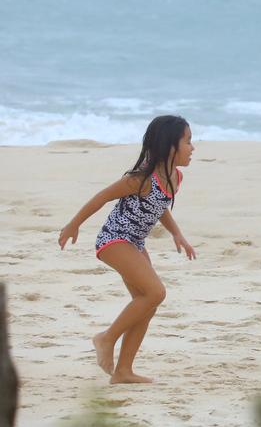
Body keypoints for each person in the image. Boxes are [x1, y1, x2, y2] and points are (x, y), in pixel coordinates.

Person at [58, 115, 196, 383]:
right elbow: (102, 197)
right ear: (170, 146)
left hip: (135, 243)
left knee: (147, 303)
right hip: (114, 240)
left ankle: (123, 371)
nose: (193, 147)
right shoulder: (140, 178)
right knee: (156, 292)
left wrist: (177, 234)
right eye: (188, 141)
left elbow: (159, 207)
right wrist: (73, 225)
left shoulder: (174, 178)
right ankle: (106, 338)